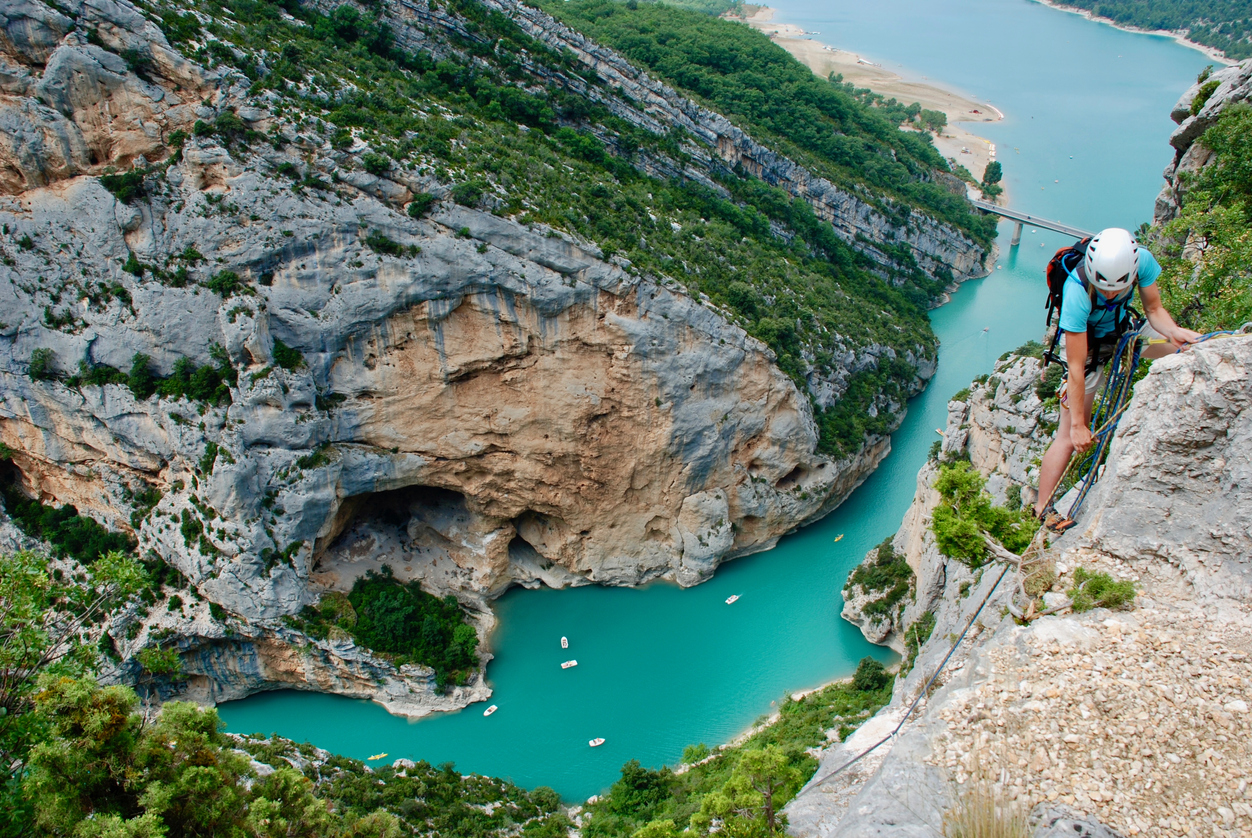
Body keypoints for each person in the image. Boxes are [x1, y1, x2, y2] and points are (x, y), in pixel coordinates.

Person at [1033, 227, 1201, 527]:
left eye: (1117, 288)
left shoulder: (1142, 262)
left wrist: (1176, 332)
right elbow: (1075, 365)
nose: (1110, 293)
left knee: (1181, 349)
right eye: (1104, 288)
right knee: (1068, 437)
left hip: (1125, 332)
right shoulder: (1077, 290)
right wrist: (1079, 425)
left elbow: (1153, 307)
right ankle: (1043, 509)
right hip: (1087, 349)